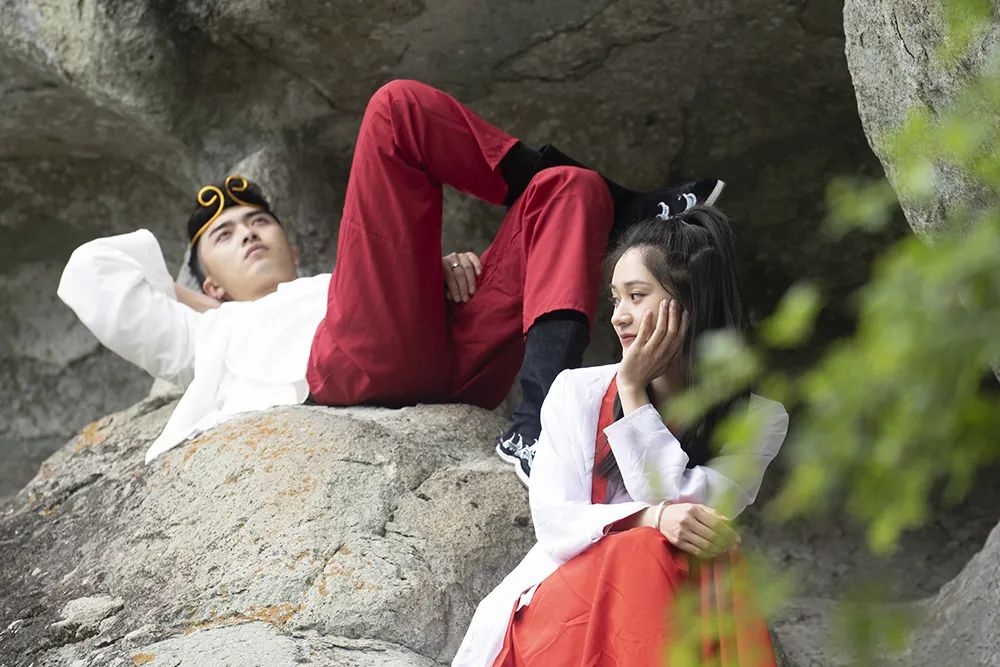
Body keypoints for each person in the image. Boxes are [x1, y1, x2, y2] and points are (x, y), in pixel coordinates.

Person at [57, 79, 724, 478]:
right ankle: (626, 204)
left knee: (570, 189)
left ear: (292, 242)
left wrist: (434, 275)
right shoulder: (204, 333)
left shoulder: (332, 287)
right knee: (395, 108)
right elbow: (92, 272)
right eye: (224, 237)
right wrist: (198, 301)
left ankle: (533, 426)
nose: (250, 234)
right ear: (210, 285)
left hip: (453, 357)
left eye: (259, 221)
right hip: (348, 367)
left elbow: (371, 291)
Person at [454, 205, 789, 665]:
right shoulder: (577, 391)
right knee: (646, 547)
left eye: (637, 296)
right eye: (615, 299)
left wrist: (633, 398)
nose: (619, 317)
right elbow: (556, 524)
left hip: (668, 613)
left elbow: (695, 510)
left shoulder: (761, 419)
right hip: (564, 614)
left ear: (691, 303)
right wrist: (649, 519)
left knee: (701, 551)